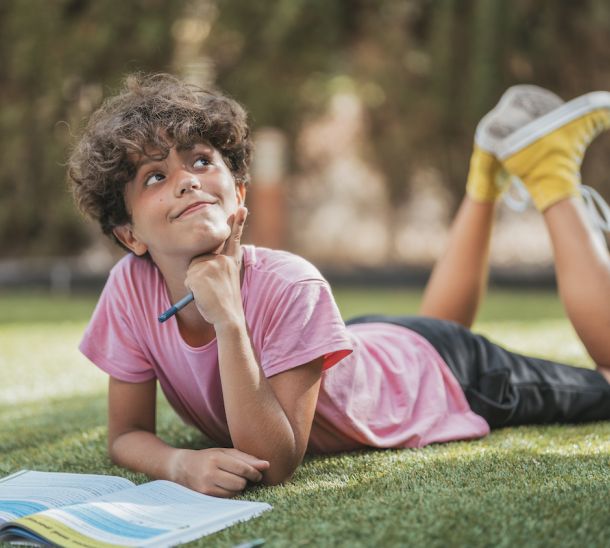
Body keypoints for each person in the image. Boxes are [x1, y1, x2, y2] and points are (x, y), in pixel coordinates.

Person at [69, 74, 610, 498]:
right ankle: (487, 167)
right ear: (129, 234)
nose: (186, 178)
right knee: (434, 328)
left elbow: (274, 461)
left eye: (201, 161)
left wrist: (229, 319)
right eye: (155, 176)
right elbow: (127, 435)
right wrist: (178, 462)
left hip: (451, 375)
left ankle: (550, 173)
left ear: (238, 192)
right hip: (372, 346)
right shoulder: (129, 289)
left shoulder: (290, 283)